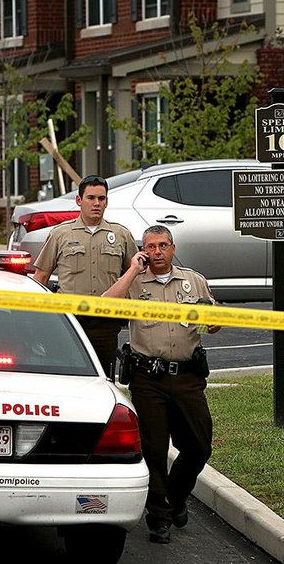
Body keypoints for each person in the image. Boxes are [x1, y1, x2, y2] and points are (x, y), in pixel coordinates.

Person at [103, 224, 220, 545]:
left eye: (162, 246)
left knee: (199, 446)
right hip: (147, 379)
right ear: (143, 250)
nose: (157, 252)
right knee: (154, 450)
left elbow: (214, 321)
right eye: (150, 247)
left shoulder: (193, 280)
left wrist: (214, 320)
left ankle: (175, 497)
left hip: (187, 377)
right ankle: (159, 517)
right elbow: (105, 304)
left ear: (172, 247)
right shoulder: (134, 283)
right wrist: (130, 271)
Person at [33, 174, 138, 379]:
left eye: (102, 198)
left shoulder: (121, 235)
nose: (97, 203)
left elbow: (135, 275)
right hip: (70, 322)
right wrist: (39, 318)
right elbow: (41, 277)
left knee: (105, 380)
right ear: (79, 201)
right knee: (69, 379)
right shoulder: (61, 234)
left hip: (106, 323)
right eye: (91, 198)